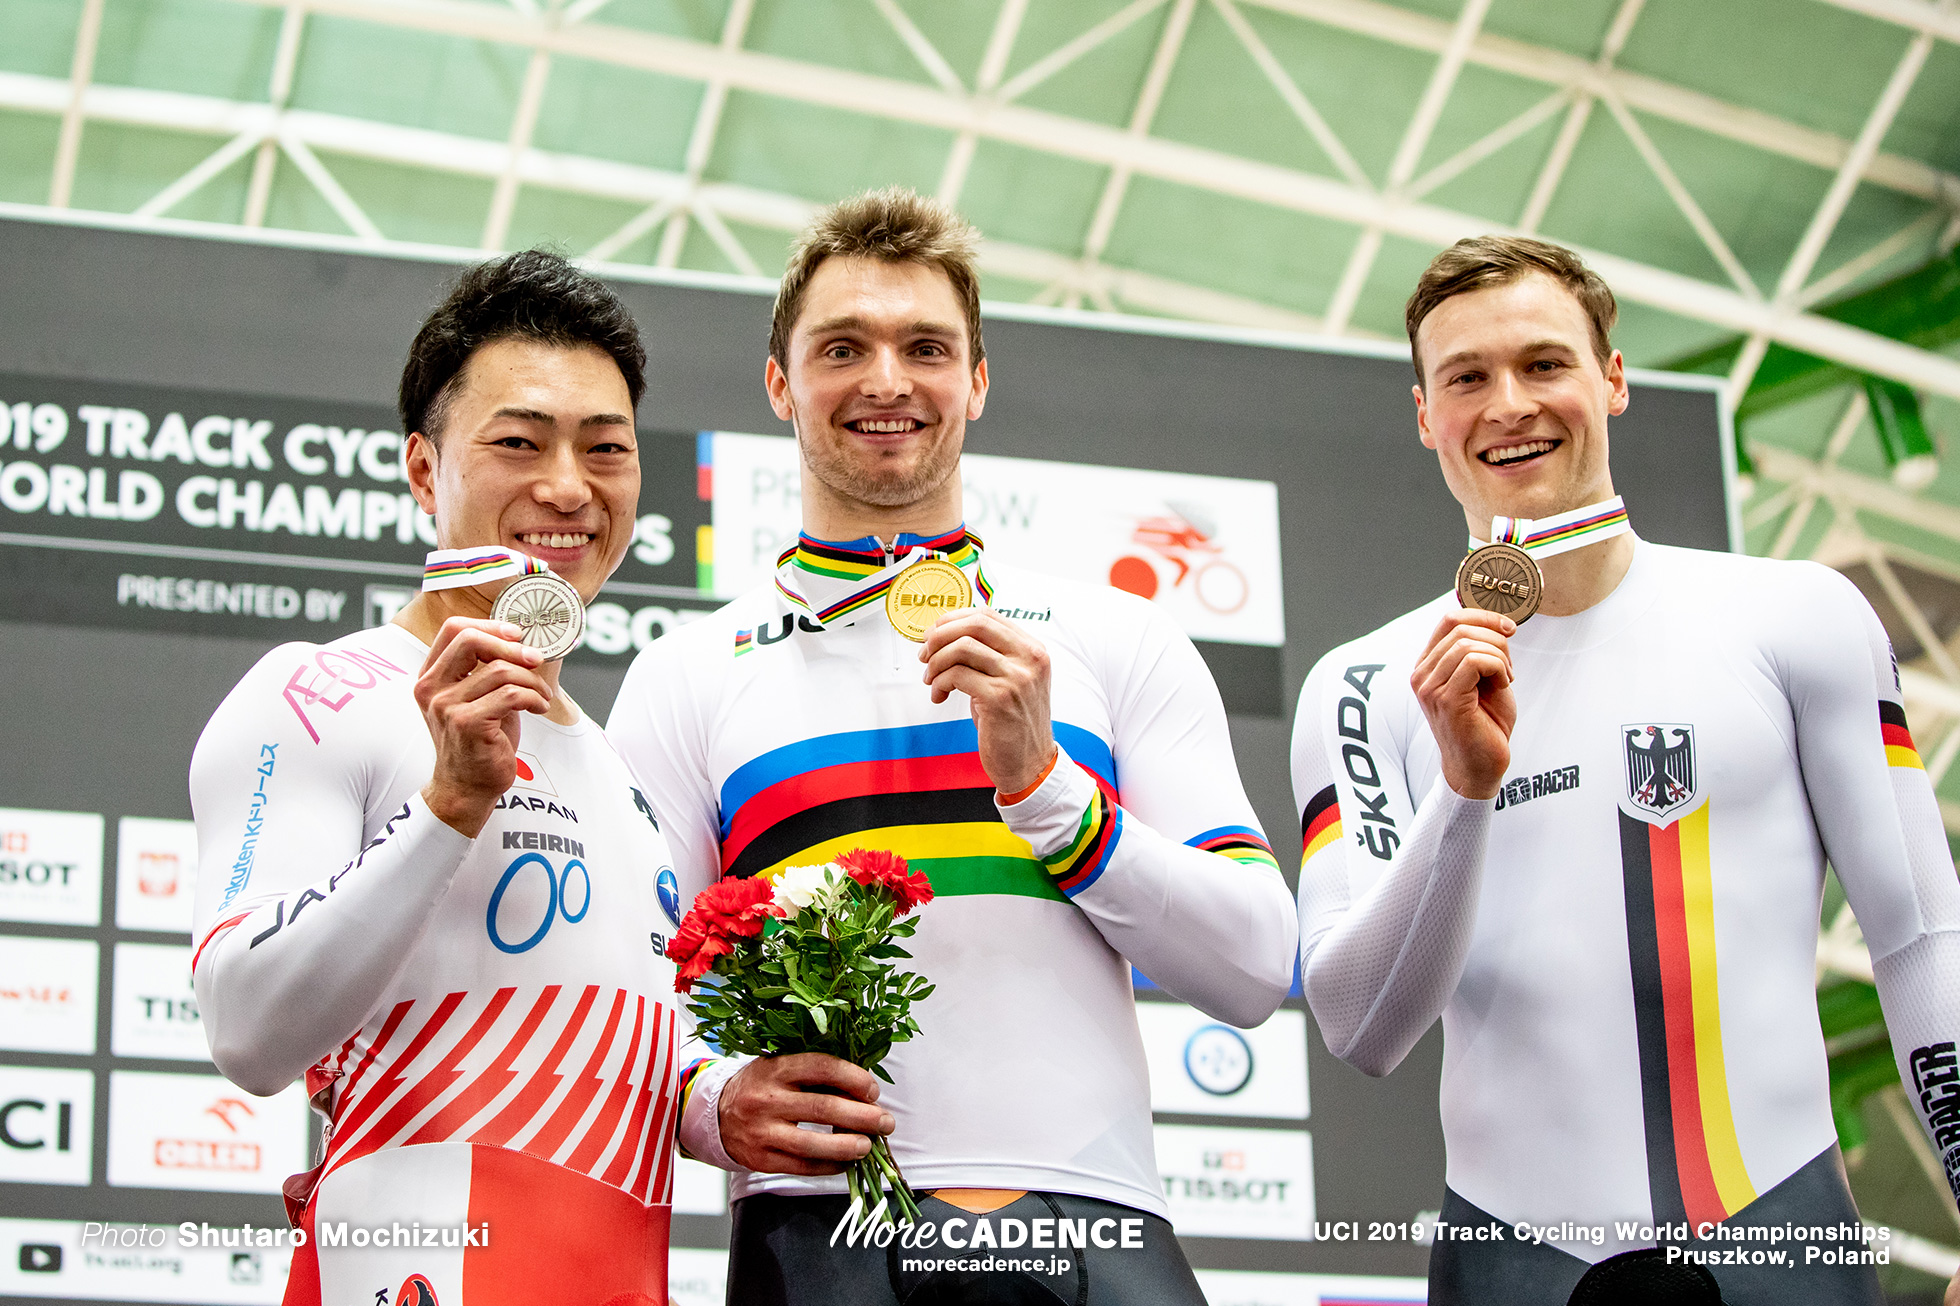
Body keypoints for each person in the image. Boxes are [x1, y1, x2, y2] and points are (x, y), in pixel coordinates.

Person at [607, 187, 1298, 1304]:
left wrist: (1051, 796)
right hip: (812, 1229)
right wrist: (707, 1102)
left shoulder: (1117, 636)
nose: (886, 380)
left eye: (925, 346)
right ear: (781, 383)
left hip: (1099, 1220)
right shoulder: (688, 670)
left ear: (975, 380)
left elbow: (1256, 962)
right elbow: (627, 992)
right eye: (843, 347)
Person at [1292, 234, 1960, 1305]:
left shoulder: (1795, 615)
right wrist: (1464, 793)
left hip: (1778, 1236)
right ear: (1425, 416)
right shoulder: (1367, 684)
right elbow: (1360, 1025)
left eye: (1544, 363)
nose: (1508, 402)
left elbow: (1922, 933)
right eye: (1466, 377)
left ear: (1611, 379)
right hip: (1511, 1256)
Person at [189, 250, 679, 1306]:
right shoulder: (321, 691)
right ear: (424, 470)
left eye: (606, 449)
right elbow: (245, 1025)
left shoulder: (623, 771)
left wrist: (719, 1105)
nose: (568, 486)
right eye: (518, 442)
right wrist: (449, 805)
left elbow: (614, 1073)